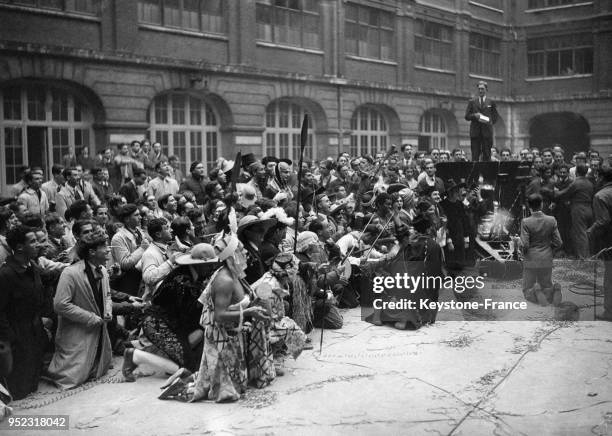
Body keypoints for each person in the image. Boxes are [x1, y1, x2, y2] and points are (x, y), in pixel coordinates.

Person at [47, 228, 113, 389]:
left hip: (98, 330)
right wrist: (90, 318)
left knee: (98, 368)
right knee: (71, 375)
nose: (108, 249)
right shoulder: (69, 273)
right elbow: (60, 304)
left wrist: (108, 310)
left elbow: (108, 295)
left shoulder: (103, 270)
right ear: (92, 252)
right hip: (77, 332)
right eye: (104, 246)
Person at [0, 225, 48, 400]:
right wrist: (10, 338)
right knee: (20, 390)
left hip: (34, 330)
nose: (38, 245)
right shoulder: (5, 274)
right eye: (33, 241)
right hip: (17, 335)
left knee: (33, 383)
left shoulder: (32, 266)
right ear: (19, 247)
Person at [520, 194, 562, 306]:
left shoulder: (526, 222)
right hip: (546, 258)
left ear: (529, 206)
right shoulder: (551, 220)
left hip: (531, 260)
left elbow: (525, 245)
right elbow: (559, 242)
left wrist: (522, 253)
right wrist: (549, 250)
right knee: (547, 285)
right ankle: (554, 289)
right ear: (542, 205)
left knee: (527, 289)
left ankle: (535, 291)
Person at [588, 167, 612, 321]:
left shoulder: (600, 196)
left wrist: (590, 231)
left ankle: (609, 312)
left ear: (601, 177)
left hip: (609, 241)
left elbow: (603, 220)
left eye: (596, 176)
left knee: (609, 276)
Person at [111, 204, 150, 296]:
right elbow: (124, 263)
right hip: (128, 282)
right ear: (127, 219)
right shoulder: (118, 238)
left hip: (141, 278)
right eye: (136, 215)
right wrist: (142, 249)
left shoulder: (139, 231)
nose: (140, 217)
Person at [465, 81, 499, 161]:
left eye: (482, 89)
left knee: (487, 155)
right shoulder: (472, 102)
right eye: (479, 89)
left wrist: (489, 123)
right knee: (475, 155)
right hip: (475, 133)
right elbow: (467, 116)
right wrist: (474, 116)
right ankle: (475, 173)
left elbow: (495, 116)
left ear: (486, 89)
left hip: (487, 133)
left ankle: (486, 173)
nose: (480, 91)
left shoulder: (491, 102)